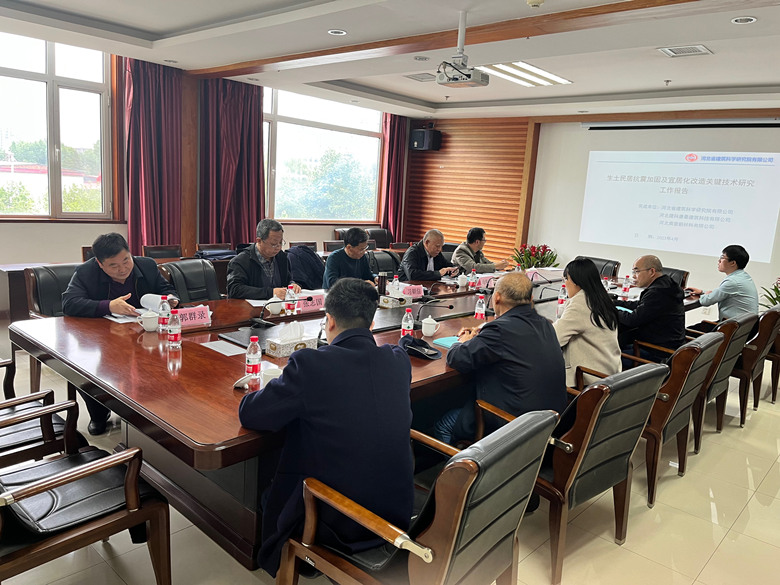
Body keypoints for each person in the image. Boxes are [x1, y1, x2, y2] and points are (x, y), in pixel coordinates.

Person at [238, 278, 414, 577]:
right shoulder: (397, 360)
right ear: (371, 323)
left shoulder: (311, 365)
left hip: (338, 520)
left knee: (269, 490)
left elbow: (252, 414)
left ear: (329, 321)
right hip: (396, 511)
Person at [62, 232, 178, 435]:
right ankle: (99, 415)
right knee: (84, 367)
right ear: (99, 263)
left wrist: (171, 299)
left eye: (126, 260)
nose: (123, 269)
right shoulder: (85, 272)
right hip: (104, 338)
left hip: (145, 335)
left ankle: (151, 408)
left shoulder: (147, 266)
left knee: (166, 362)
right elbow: (69, 303)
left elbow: (167, 289)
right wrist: (108, 306)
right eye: (113, 266)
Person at [434, 272, 566, 445]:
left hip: (513, 424)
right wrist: (484, 333)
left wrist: (462, 342)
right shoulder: (545, 324)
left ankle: (464, 463)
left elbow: (456, 358)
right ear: (530, 299)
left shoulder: (499, 331)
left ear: (496, 298)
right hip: (549, 424)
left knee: (443, 425)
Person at [553, 258, 621, 387]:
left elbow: (555, 338)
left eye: (566, 279)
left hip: (589, 380)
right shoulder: (601, 297)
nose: (565, 284)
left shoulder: (581, 303)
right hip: (609, 372)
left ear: (576, 281)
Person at [614, 255, 685, 362]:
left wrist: (610, 309)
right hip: (667, 345)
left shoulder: (657, 292)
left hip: (656, 352)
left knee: (607, 356)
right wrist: (614, 303)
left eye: (636, 271)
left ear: (652, 272)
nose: (634, 276)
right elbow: (641, 305)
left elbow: (632, 320)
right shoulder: (667, 284)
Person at [227, 219, 301, 300]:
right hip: (251, 306)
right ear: (259, 241)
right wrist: (270, 293)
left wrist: (292, 285)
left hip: (279, 305)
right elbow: (234, 290)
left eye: (280, 243)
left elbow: (287, 280)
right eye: (273, 244)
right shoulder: (240, 261)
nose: (278, 247)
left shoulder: (281, 257)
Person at [687, 244, 759, 321]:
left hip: (732, 326)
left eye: (722, 257)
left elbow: (705, 301)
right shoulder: (743, 277)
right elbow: (720, 293)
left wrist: (705, 295)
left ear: (733, 263)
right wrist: (702, 292)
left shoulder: (732, 282)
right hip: (744, 325)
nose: (719, 261)